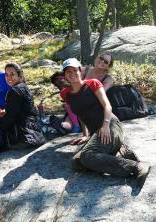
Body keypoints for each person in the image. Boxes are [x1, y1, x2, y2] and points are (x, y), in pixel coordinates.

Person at [60, 58, 150, 188]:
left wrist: (105, 125)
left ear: (80, 71)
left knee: (88, 157)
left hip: (111, 125)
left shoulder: (92, 83)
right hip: (95, 133)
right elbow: (80, 113)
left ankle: (136, 167)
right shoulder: (65, 94)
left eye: (75, 70)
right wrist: (85, 135)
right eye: (68, 71)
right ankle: (119, 150)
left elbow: (107, 105)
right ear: (64, 75)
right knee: (76, 163)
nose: (72, 73)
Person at [0, 62, 46, 149]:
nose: (9, 78)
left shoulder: (15, 91)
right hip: (34, 131)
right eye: (6, 75)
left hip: (23, 136)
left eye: (12, 74)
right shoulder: (24, 87)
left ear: (19, 75)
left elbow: (10, 118)